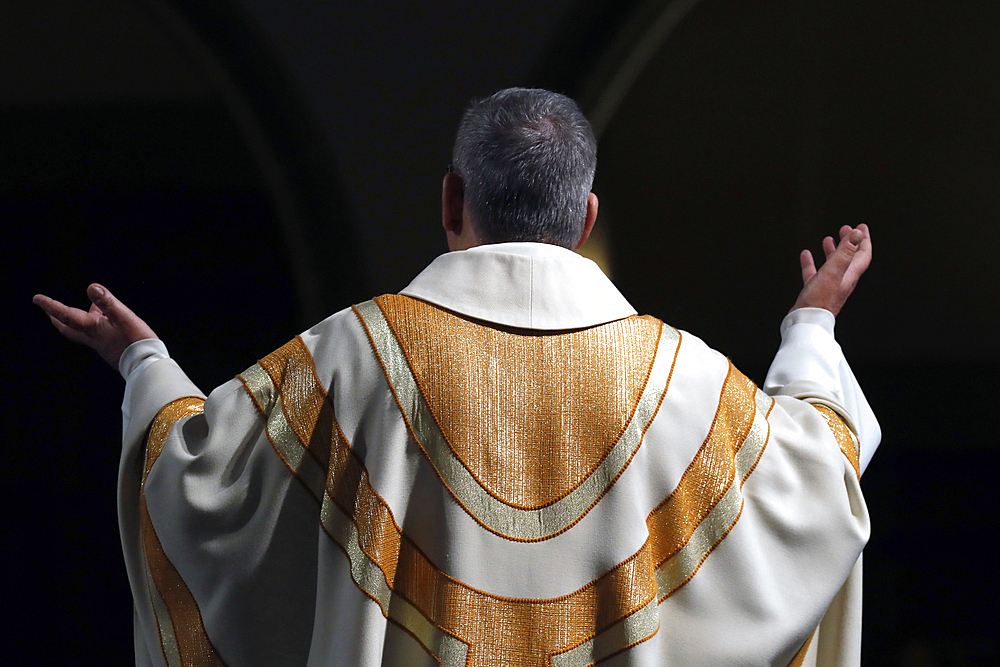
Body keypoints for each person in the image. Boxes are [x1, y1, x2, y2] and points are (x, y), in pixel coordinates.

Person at [34, 88, 877, 666]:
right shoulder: (689, 382)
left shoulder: (348, 359)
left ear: (450, 201)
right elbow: (819, 475)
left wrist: (143, 364)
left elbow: (194, 483)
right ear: (584, 220)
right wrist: (811, 324)